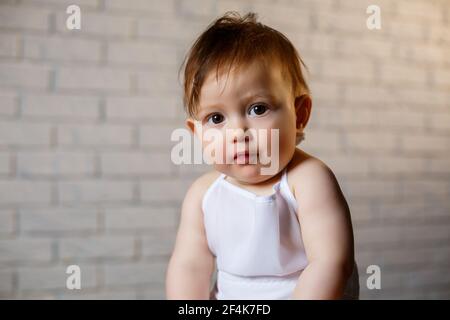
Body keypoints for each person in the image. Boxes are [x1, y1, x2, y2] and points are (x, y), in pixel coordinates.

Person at [166, 11, 359, 300]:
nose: (237, 132)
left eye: (258, 109)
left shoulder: (307, 180)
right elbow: (189, 267)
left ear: (300, 114)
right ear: (197, 134)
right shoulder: (203, 195)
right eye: (216, 118)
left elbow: (330, 263)